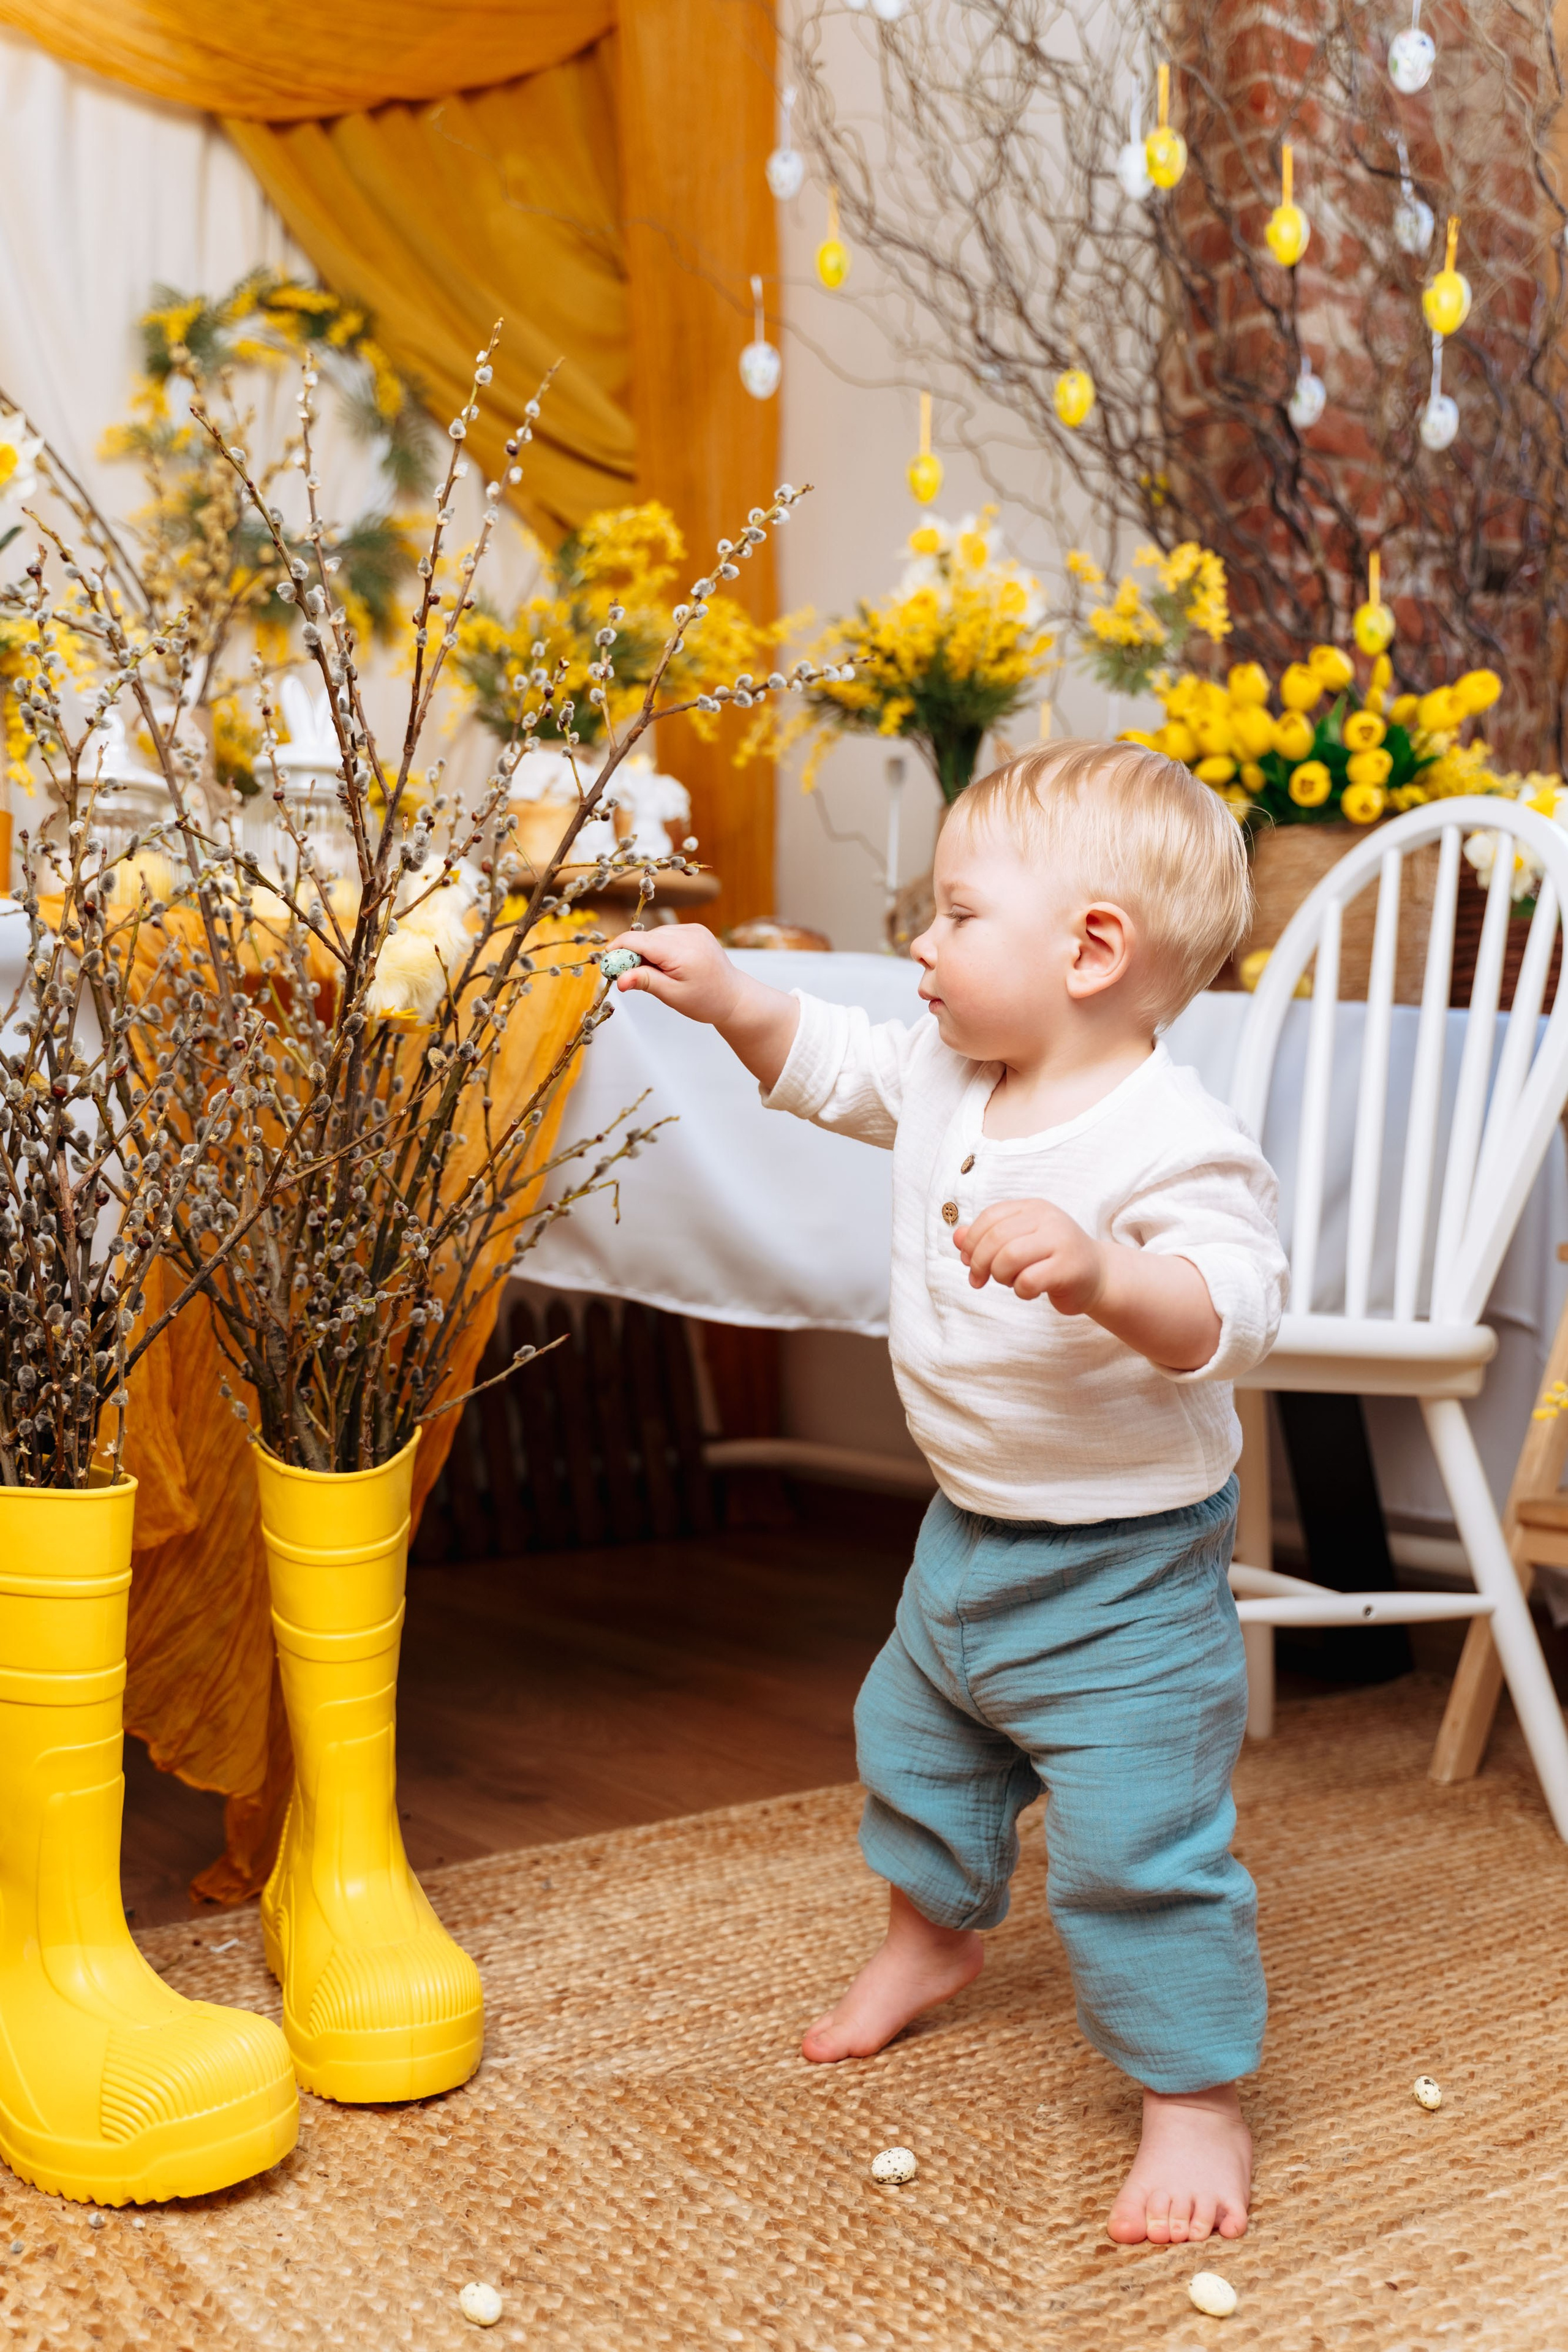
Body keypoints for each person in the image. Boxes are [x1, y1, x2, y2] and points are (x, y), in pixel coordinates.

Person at [605, 739, 1287, 2248]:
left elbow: (1232, 1309)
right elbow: (830, 1062)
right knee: (912, 1746)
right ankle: (929, 1939)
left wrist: (1109, 1271)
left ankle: (1190, 2094)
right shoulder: (946, 1071)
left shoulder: (1172, 1136)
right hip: (966, 1533)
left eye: (955, 914)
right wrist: (728, 998)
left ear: (1091, 948)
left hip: (1126, 1576)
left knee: (1136, 1848)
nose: (920, 943)